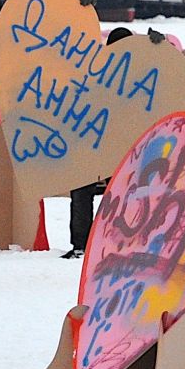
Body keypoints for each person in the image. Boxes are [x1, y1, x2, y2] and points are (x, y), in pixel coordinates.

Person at [64, 25, 132, 259]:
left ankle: (82, 244)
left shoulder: (94, 68)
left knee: (83, 193)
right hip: (119, 143)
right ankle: (116, 241)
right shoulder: (139, 70)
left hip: (91, 139)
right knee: (120, 193)